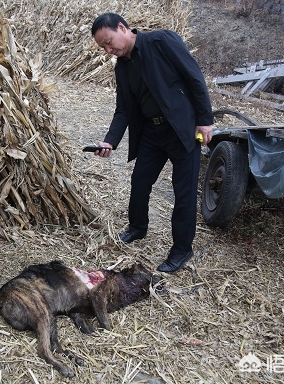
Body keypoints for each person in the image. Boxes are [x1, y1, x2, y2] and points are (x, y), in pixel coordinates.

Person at [90, 13, 214, 274]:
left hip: (181, 130)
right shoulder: (122, 67)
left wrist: (204, 120)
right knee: (140, 181)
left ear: (122, 28)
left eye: (109, 42)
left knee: (184, 193)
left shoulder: (161, 41)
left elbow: (194, 77)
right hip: (151, 132)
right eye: (103, 46)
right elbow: (123, 109)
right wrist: (110, 141)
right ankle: (138, 227)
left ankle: (182, 249)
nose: (108, 49)